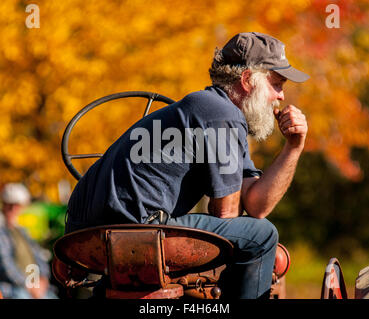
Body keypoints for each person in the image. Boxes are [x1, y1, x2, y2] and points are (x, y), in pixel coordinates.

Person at [65, 32, 309, 299]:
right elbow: (225, 214)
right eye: (277, 84)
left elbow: (257, 205)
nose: (281, 96)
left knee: (254, 229)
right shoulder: (220, 114)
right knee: (262, 237)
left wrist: (293, 147)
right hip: (137, 230)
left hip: (84, 235)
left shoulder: (215, 112)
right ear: (248, 80)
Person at [0, 183, 57, 299]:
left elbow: (38, 255)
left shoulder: (20, 229)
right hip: (11, 287)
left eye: (17, 205)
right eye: (9, 204)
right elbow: (4, 265)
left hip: (34, 286)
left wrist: (43, 278)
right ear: (3, 204)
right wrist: (29, 286)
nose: (13, 209)